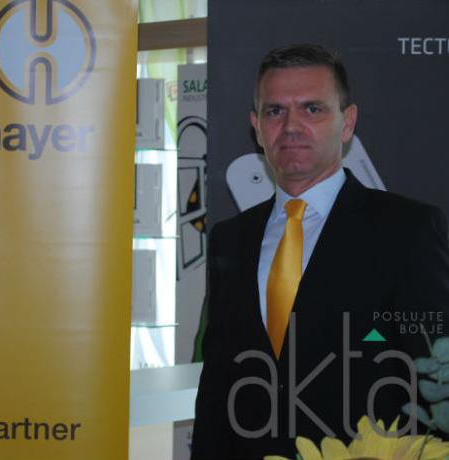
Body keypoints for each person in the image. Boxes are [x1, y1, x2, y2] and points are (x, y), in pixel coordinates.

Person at [191, 44, 449, 459]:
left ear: (348, 123)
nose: (291, 126)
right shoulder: (231, 238)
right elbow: (218, 383)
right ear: (257, 126)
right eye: (275, 111)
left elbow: (434, 380)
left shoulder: (407, 230)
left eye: (312, 109)